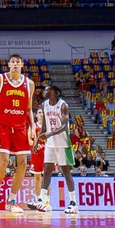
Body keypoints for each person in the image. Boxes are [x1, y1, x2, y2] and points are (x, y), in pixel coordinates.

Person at [0, 54, 37, 213]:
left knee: (23, 164)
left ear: (22, 65)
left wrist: (32, 126)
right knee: (4, 161)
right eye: (12, 62)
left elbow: (28, 109)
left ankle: (11, 201)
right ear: (8, 65)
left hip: (20, 127)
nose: (15, 65)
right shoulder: (0, 80)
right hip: (2, 126)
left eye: (18, 62)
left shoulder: (29, 84)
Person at [35, 84, 78, 215]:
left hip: (63, 143)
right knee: (47, 171)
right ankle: (42, 199)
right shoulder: (45, 105)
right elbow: (45, 126)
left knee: (66, 172)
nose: (44, 92)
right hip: (50, 144)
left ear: (53, 91)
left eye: (46, 90)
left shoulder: (63, 105)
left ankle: (73, 202)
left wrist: (50, 134)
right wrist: (37, 141)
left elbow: (65, 126)